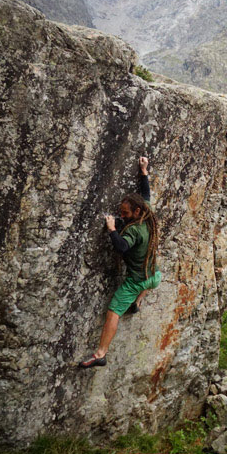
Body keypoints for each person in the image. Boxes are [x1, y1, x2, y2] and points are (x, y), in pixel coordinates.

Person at [79, 156, 162, 368]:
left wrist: (112, 229)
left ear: (136, 212)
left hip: (137, 281)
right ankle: (137, 302)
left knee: (114, 311)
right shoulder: (147, 214)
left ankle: (100, 353)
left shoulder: (134, 230)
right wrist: (144, 171)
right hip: (155, 276)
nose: (122, 216)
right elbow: (146, 194)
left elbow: (122, 247)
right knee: (150, 281)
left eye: (125, 213)